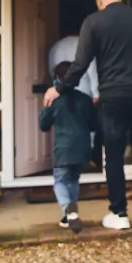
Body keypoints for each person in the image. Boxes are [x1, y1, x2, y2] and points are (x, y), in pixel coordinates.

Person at [44, 0, 132, 231]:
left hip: (113, 96)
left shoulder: (94, 22)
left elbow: (80, 64)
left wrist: (59, 88)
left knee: (114, 154)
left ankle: (119, 213)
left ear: (100, 1)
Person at [39, 61, 98, 234]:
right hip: (82, 146)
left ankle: (67, 208)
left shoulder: (54, 101)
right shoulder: (85, 99)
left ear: (57, 78)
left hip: (63, 147)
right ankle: (69, 216)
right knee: (73, 179)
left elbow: (43, 125)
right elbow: (94, 124)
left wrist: (45, 107)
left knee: (60, 181)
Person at [49, 35, 102, 169]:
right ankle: (86, 157)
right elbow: (92, 69)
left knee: (64, 122)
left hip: (60, 89)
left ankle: (63, 158)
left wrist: (56, 88)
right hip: (83, 86)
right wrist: (96, 93)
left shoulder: (55, 47)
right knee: (85, 123)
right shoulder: (84, 44)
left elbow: (52, 70)